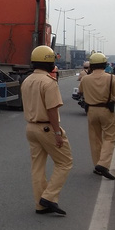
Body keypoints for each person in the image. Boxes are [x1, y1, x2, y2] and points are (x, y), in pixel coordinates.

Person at [21, 45, 73, 216]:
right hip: (46, 128)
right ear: (49, 63)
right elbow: (52, 109)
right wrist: (57, 133)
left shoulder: (27, 80)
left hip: (31, 127)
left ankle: (40, 204)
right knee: (64, 162)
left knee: (37, 167)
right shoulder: (49, 82)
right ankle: (49, 197)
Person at [78, 52, 115, 180]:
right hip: (106, 110)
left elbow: (80, 92)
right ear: (105, 64)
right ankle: (103, 164)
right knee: (110, 137)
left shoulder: (85, 78)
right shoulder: (111, 78)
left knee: (95, 139)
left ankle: (97, 166)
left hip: (91, 111)